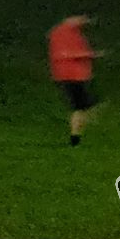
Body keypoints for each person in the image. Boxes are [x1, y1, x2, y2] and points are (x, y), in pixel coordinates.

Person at [48, 15, 102, 146]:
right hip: (70, 76)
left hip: (76, 76)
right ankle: (75, 136)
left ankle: (76, 134)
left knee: (83, 106)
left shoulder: (74, 33)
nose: (83, 21)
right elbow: (64, 54)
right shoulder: (62, 33)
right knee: (81, 107)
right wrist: (89, 55)